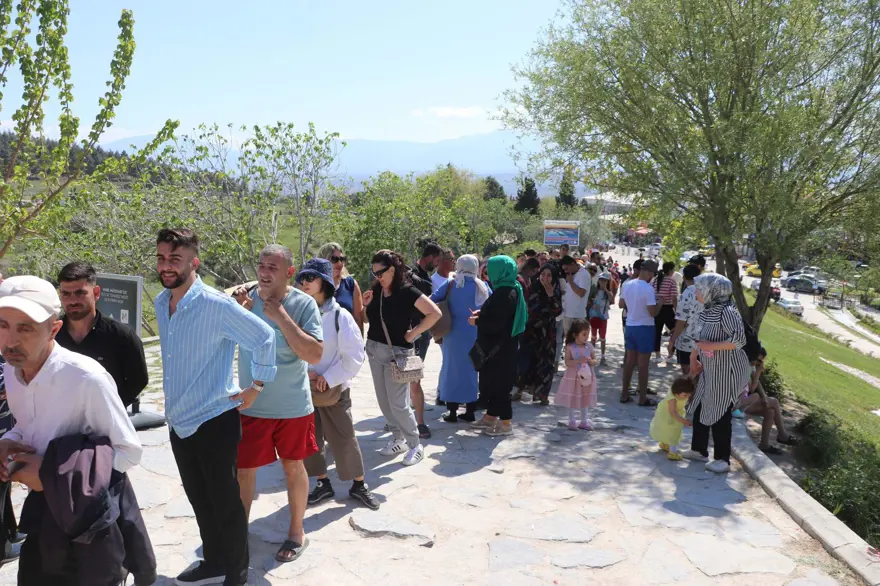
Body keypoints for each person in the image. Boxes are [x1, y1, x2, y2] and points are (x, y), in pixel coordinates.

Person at [0, 276, 149, 584]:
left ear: (54, 328)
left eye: (26, 328)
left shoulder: (86, 378)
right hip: (42, 512)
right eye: (2, 325)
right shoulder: (13, 372)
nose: (10, 340)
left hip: (89, 520)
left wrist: (51, 477)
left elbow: (127, 453)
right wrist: (8, 441)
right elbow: (30, 426)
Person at [154, 229, 277, 586]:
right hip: (179, 421)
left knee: (225, 504)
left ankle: (237, 573)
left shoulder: (215, 304)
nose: (166, 265)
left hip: (214, 419)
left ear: (194, 262)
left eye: (175, 259)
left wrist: (256, 385)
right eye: (162, 257)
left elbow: (264, 337)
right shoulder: (163, 303)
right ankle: (214, 561)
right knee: (199, 501)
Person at [232, 245, 324, 565]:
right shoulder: (243, 299)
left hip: (292, 406)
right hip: (251, 404)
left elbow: (313, 354)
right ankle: (237, 533)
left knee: (292, 467)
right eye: (261, 265)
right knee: (244, 471)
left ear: (288, 272)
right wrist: (240, 312)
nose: (264, 272)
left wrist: (279, 315)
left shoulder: (303, 304)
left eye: (273, 267)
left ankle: (297, 532)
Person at [297, 259, 379, 511]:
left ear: (325, 283)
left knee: (343, 438)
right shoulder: (297, 314)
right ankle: (323, 483)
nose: (304, 283)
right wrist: (306, 372)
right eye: (303, 278)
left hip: (334, 391)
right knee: (311, 439)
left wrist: (328, 377)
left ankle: (358, 484)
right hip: (304, 390)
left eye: (311, 279)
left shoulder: (339, 316)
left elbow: (354, 356)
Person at [363, 250, 441, 467]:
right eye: (374, 271)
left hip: (397, 353)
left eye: (380, 272)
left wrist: (414, 333)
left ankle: (415, 443)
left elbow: (434, 313)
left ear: (392, 270)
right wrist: (364, 304)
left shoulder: (407, 291)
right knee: (383, 400)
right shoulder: (377, 289)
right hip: (374, 349)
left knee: (398, 403)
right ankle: (398, 439)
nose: (377, 276)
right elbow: (366, 319)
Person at [54, 261, 149, 408]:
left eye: (80, 293)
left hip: (105, 426)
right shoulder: (51, 335)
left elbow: (138, 380)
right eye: (66, 294)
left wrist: (111, 408)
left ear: (96, 293)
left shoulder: (121, 336)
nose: (72, 300)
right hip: (60, 424)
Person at [685, 273, 751, 474]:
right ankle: (699, 449)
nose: (696, 292)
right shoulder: (707, 311)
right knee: (700, 405)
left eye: (700, 288)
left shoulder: (728, 312)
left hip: (727, 371)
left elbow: (739, 340)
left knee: (721, 411)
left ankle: (722, 459)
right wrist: (693, 359)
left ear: (712, 290)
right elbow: (699, 338)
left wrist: (711, 346)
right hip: (710, 369)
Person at [468, 256, 527, 436]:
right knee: (493, 384)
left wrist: (477, 321)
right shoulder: (508, 288)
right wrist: (483, 314)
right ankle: (490, 416)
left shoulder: (505, 293)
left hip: (499, 350)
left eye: (491, 269)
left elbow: (496, 324)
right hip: (500, 349)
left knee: (500, 386)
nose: (487, 272)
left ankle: (505, 423)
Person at [430, 255, 489, 423]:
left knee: (452, 370)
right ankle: (470, 410)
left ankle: (453, 412)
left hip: (453, 334)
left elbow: (432, 300)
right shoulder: (482, 287)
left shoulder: (451, 284)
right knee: (472, 371)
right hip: (475, 334)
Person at [733, 348, 799, 453]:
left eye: (761, 362)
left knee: (770, 412)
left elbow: (754, 386)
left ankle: (764, 444)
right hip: (738, 403)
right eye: (758, 360)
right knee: (774, 402)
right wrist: (761, 396)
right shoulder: (743, 366)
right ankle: (782, 434)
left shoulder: (751, 366)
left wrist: (758, 373)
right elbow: (751, 389)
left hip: (743, 401)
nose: (759, 363)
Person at [408, 241, 443, 440]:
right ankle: (403, 420)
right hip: (409, 334)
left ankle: (419, 422)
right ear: (430, 257)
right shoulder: (412, 274)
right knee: (404, 380)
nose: (437, 265)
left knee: (415, 380)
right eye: (436, 261)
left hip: (420, 335)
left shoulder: (422, 278)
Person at [519, 263, 562, 405]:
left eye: (549, 275)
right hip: (531, 330)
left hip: (547, 332)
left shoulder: (555, 290)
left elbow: (557, 311)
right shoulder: (532, 288)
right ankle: (520, 389)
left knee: (546, 362)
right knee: (527, 360)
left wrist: (550, 296)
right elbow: (527, 307)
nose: (545, 278)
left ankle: (542, 394)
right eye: (543, 274)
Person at [619, 259, 660, 406]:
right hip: (645, 327)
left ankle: (624, 393)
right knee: (643, 365)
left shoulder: (627, 284)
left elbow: (621, 304)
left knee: (629, 362)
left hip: (630, 325)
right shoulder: (648, 289)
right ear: (649, 272)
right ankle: (642, 398)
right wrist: (659, 303)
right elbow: (652, 313)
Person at [555, 319, 598, 430]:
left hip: (587, 377)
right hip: (573, 377)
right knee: (572, 397)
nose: (587, 337)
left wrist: (591, 361)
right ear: (575, 334)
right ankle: (572, 420)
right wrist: (578, 361)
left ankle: (584, 420)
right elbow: (567, 362)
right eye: (584, 334)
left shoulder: (589, 346)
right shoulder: (570, 347)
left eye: (588, 334)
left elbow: (594, 360)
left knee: (585, 397)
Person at [319, 242, 364, 333]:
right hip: (322, 343)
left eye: (342, 259)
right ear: (323, 260)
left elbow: (358, 319)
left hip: (346, 343)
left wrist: (359, 345)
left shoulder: (351, 284)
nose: (339, 263)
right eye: (334, 259)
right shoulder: (314, 285)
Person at [667, 264, 703, 375]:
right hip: (704, 339)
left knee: (688, 372)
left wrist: (672, 341)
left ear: (684, 277)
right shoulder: (706, 292)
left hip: (687, 342)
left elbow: (681, 322)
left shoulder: (686, 294)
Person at [650, 377, 695, 460]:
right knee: (674, 434)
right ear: (677, 393)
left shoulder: (678, 390)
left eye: (689, 395)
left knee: (667, 431)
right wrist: (684, 421)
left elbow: (685, 380)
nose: (687, 397)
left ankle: (665, 444)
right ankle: (672, 453)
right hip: (669, 417)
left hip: (670, 416)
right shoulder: (673, 399)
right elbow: (673, 412)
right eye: (685, 395)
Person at [652, 261, 679, 363]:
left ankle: (658, 355)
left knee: (657, 332)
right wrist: (677, 312)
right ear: (670, 270)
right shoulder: (671, 281)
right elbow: (674, 298)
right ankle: (670, 355)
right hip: (668, 309)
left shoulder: (655, 280)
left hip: (657, 308)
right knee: (675, 331)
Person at [559, 256, 591, 337]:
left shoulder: (583, 274)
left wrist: (570, 282)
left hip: (577, 316)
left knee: (578, 344)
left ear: (573, 264)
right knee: (569, 344)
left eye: (566, 268)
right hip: (567, 314)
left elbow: (581, 293)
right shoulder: (570, 275)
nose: (565, 271)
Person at [589, 272, 615, 365]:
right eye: (601, 280)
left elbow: (612, 299)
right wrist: (592, 304)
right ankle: (592, 356)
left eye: (605, 280)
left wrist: (606, 290)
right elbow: (589, 300)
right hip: (594, 316)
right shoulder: (594, 290)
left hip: (603, 317)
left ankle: (603, 357)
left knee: (603, 337)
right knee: (593, 337)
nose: (602, 282)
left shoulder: (608, 292)